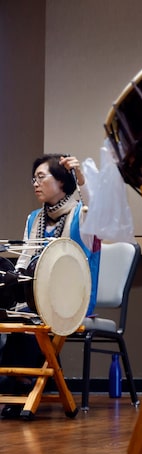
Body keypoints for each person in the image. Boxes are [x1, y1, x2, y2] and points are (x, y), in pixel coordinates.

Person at [0, 154, 101, 418]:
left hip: (72, 299)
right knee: (15, 306)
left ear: (62, 182)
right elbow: (23, 259)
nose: (35, 183)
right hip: (35, 297)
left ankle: (21, 385)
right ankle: (22, 381)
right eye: (33, 178)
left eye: (42, 177)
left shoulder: (83, 215)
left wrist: (81, 178)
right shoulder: (34, 218)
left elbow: (98, 211)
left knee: (34, 317)